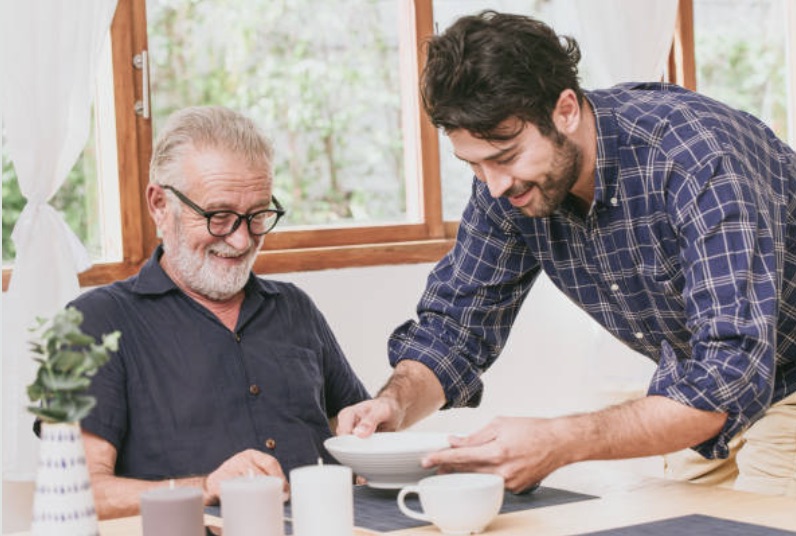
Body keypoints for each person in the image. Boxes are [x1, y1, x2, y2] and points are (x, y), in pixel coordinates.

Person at [337, 10, 796, 497]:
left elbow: (727, 374)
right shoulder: (508, 189)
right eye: (473, 165)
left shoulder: (695, 158)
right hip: (699, 378)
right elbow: (455, 329)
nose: (493, 184)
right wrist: (396, 404)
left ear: (566, 111)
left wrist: (558, 440)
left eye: (506, 156)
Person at [69, 106, 370, 519]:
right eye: (219, 216)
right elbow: (79, 493)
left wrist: (373, 447)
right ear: (160, 204)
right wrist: (207, 487)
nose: (242, 239)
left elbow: (356, 433)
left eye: (258, 215)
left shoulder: (294, 308)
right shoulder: (94, 323)